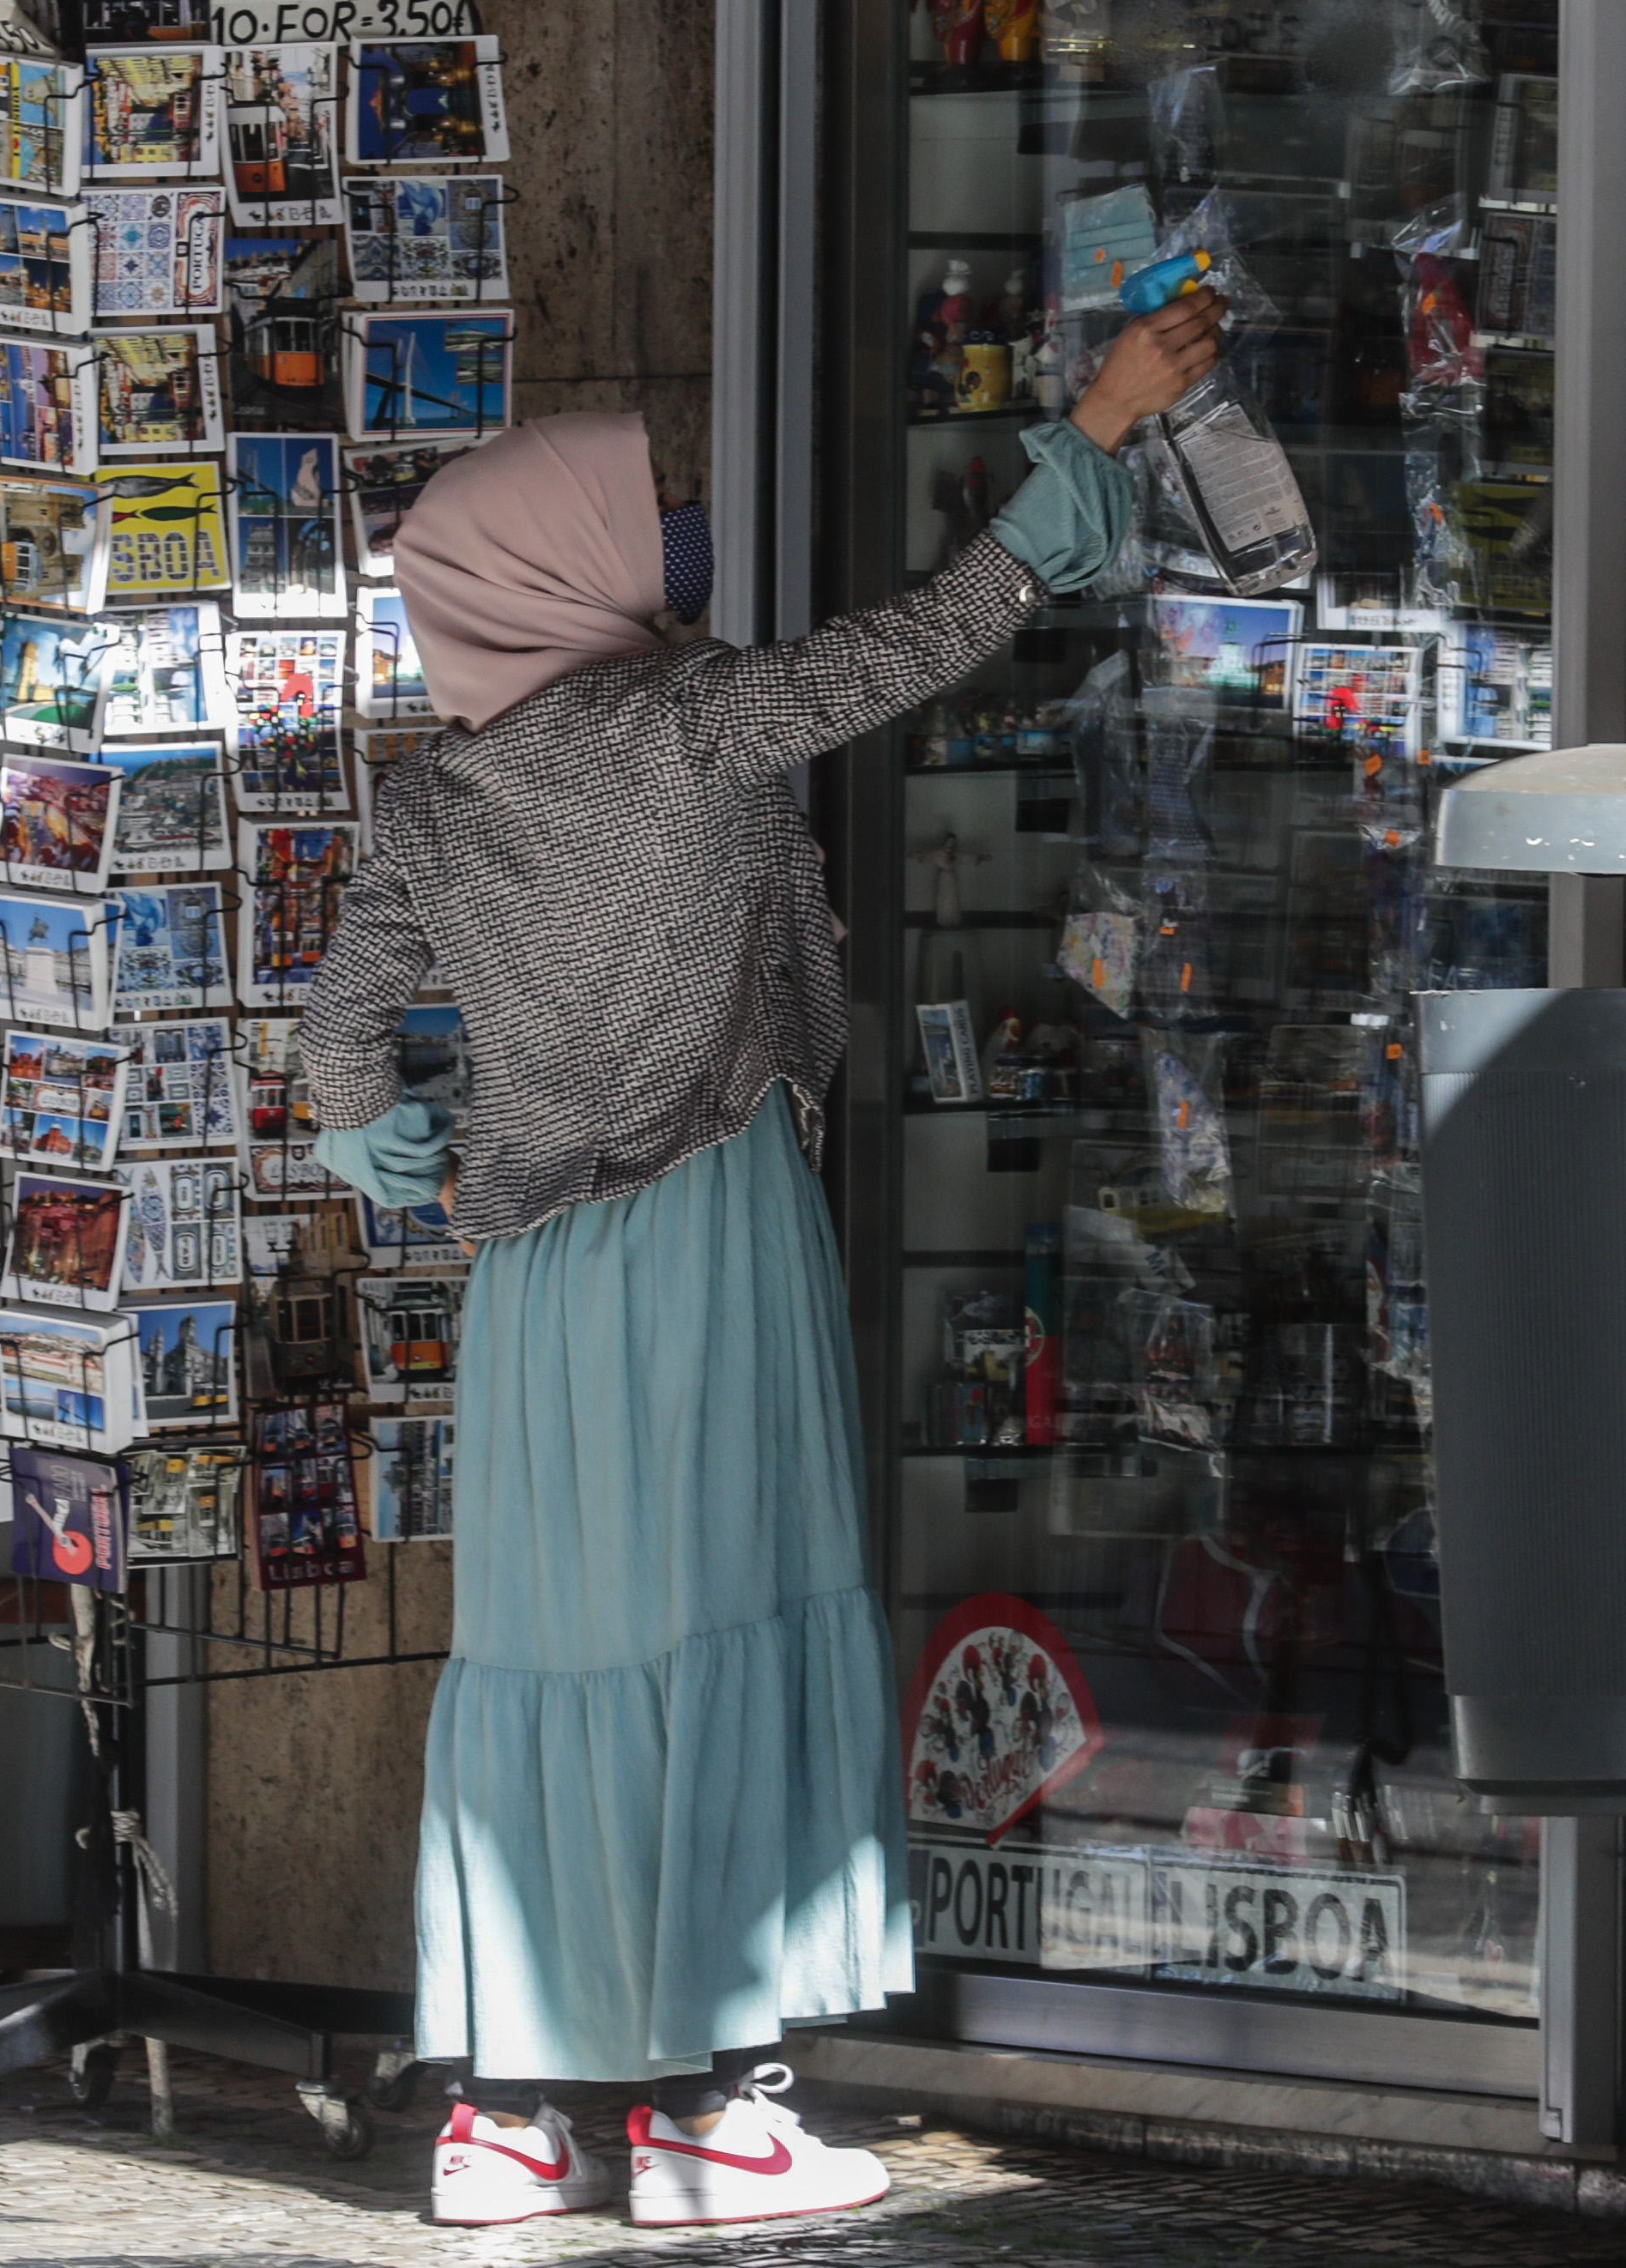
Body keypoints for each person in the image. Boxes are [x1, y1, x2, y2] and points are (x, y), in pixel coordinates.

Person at [297, 288, 1226, 2230]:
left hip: (534, 1279)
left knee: (557, 1659)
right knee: (726, 1612)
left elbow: (342, 1020)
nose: (680, 543)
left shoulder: (435, 792)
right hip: (707, 1232)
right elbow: (911, 647)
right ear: (563, 567)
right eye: (643, 521)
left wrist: (359, 1122)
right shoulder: (686, 724)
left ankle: (514, 2113)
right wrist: (1093, 446)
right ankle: (723, 2107)